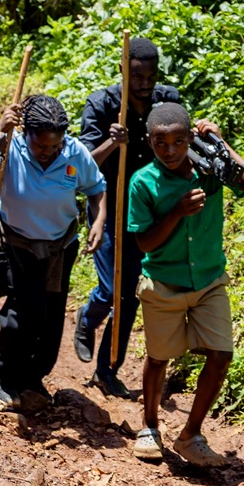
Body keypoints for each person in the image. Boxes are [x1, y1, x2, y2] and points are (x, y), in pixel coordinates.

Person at [129, 103, 244, 467]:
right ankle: (150, 427)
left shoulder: (210, 170)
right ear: (149, 142)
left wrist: (221, 145)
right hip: (163, 284)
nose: (170, 150)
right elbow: (144, 243)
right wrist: (176, 211)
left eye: (178, 141)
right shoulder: (143, 182)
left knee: (221, 355)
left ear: (191, 138)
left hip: (208, 281)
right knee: (158, 358)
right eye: (161, 143)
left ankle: (191, 434)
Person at [74, 37, 183, 398]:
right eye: (137, 76)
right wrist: (111, 143)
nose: (144, 83)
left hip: (144, 214)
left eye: (150, 75)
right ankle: (87, 318)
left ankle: (108, 370)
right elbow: (82, 165)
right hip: (106, 208)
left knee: (129, 296)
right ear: (124, 72)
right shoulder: (103, 105)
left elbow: (179, 145)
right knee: (109, 289)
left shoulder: (166, 103)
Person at [0, 95, 107, 414]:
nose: (48, 152)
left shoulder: (74, 152)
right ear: (27, 134)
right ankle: (1, 373)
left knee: (51, 320)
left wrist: (99, 221)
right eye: (42, 146)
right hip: (17, 243)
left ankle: (32, 378)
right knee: (25, 313)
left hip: (59, 247)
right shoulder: (10, 145)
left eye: (55, 146)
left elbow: (96, 189)